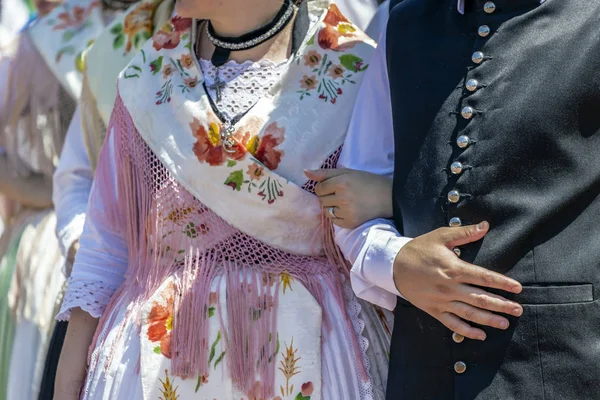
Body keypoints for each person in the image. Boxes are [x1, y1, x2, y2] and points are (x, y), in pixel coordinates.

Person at [55, 1, 393, 399]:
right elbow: (105, 246)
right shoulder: (148, 73)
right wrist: (68, 383)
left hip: (308, 351)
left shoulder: (355, 69)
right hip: (158, 363)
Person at [311, 0, 600, 398]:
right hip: (424, 371)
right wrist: (394, 261)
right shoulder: (402, 22)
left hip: (566, 364)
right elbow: (352, 199)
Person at [0, 0, 138, 397]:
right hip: (64, 237)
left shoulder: (186, 31)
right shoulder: (48, 39)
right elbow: (75, 177)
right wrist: (43, 195)